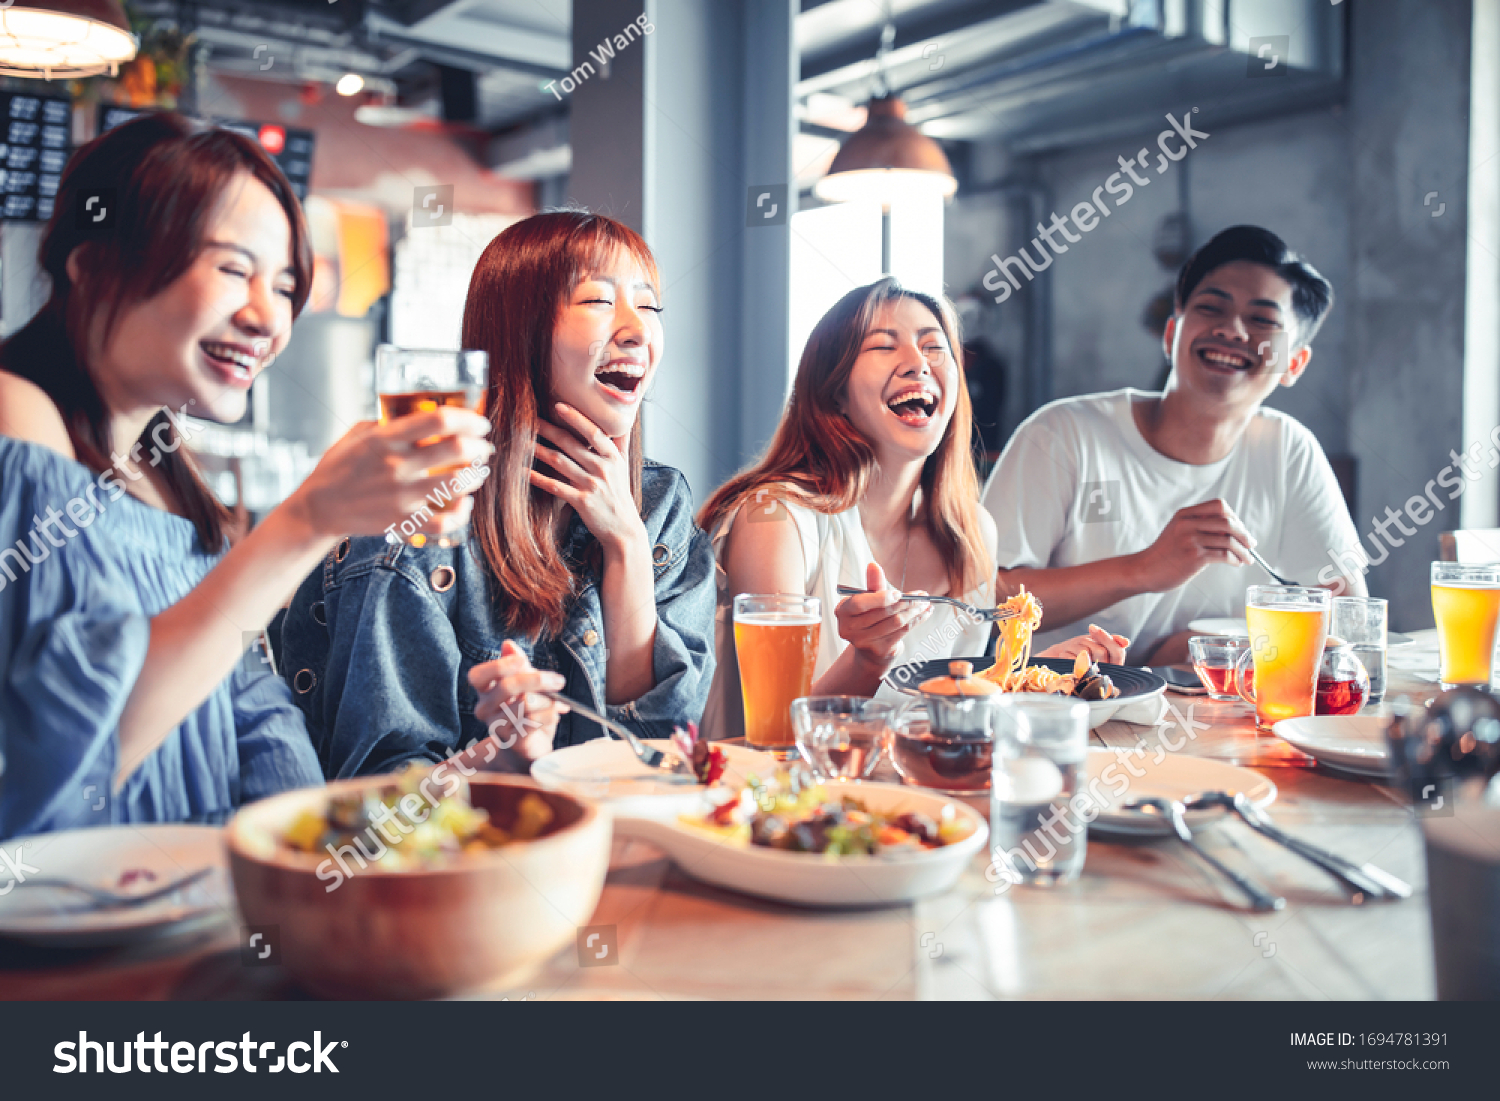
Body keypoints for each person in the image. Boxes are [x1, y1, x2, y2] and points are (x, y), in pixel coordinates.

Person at [0, 113, 495, 839]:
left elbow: (253, 710)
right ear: (92, 261)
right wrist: (310, 519)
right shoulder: (16, 412)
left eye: (286, 285)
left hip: (191, 887)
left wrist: (316, 858)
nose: (269, 318)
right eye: (234, 270)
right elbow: (48, 764)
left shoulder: (167, 475)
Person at [280, 212, 716, 777]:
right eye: (598, 301)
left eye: (650, 306)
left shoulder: (660, 504)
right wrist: (503, 756)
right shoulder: (424, 517)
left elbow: (659, 760)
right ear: (521, 331)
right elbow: (384, 796)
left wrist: (627, 544)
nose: (637, 329)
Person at [698, 277, 1126, 741]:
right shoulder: (776, 518)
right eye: (884, 346)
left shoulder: (972, 531)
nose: (918, 363)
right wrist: (867, 660)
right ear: (835, 390)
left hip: (914, 778)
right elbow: (778, 737)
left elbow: (949, 707)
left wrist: (1037, 678)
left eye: (934, 347)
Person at [981, 225, 1366, 666]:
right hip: (1058, 702)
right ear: (1171, 335)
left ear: (1294, 363)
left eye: (1262, 320)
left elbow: (1346, 613)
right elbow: (984, 602)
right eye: (1211, 308)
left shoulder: (1288, 450)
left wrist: (1202, 648)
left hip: (1212, 705)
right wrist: (1143, 569)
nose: (1232, 330)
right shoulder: (1062, 434)